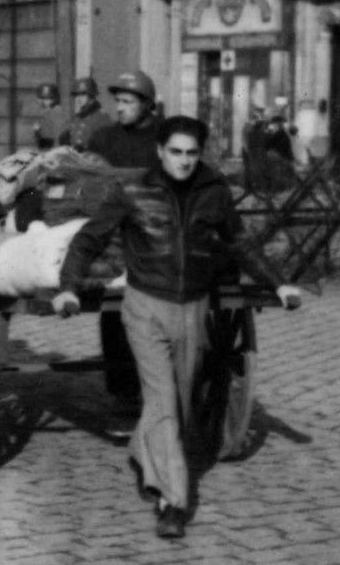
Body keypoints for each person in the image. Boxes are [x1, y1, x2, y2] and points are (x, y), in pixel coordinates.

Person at [53, 115, 301, 539]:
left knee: (180, 401)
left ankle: (140, 449)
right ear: (160, 152)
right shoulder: (131, 190)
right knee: (164, 399)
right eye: (176, 153)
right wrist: (68, 287)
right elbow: (89, 240)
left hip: (194, 308)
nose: (184, 162)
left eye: (191, 153)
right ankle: (174, 501)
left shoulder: (214, 193)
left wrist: (279, 284)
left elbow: (239, 243)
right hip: (146, 305)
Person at [86, 70, 162, 411]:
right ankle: (123, 391)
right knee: (114, 313)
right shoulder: (103, 139)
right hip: (115, 233)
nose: (120, 107)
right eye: (117, 101)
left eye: (128, 102)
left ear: (148, 105)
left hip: (156, 229)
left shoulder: (164, 137)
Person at [65, 77, 115, 151]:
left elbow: (107, 148)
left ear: (91, 96)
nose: (78, 98)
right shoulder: (76, 118)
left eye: (82, 95)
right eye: (77, 95)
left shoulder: (103, 118)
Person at [32, 83, 69, 150]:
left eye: (47, 98)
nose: (43, 102)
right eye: (41, 98)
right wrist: (37, 132)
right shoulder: (45, 112)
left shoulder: (57, 111)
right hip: (44, 149)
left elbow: (59, 136)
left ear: (54, 99)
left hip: (53, 150)